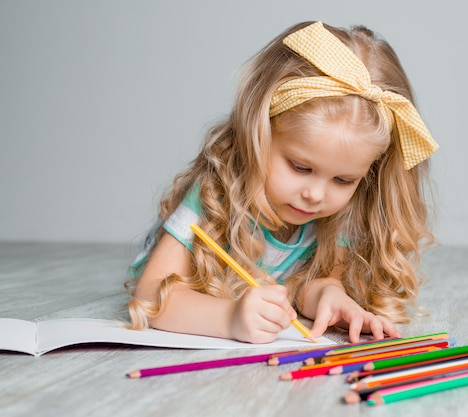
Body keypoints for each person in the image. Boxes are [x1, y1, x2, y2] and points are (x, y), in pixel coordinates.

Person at [126, 21, 439, 344]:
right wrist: (229, 318)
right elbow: (149, 297)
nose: (315, 194)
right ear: (257, 135)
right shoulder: (211, 196)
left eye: (344, 180)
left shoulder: (338, 215)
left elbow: (306, 285)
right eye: (300, 167)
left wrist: (332, 296)